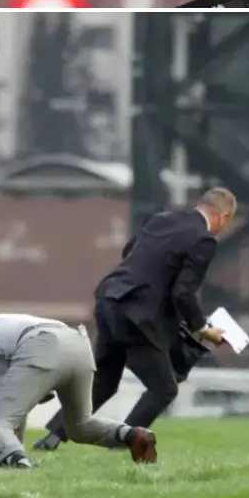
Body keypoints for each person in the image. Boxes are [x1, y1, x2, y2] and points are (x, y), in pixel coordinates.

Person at [34, 187, 236, 453]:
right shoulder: (204, 240)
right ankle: (122, 443)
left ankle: (51, 438)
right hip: (137, 316)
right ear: (223, 217)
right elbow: (183, 293)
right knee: (164, 389)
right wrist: (203, 330)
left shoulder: (163, 219)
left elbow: (130, 251)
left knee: (105, 381)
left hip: (110, 299)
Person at [0, 314, 149, 468]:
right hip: (78, 343)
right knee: (79, 426)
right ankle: (132, 434)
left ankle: (20, 465)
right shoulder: (0, 323)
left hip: (43, 346)